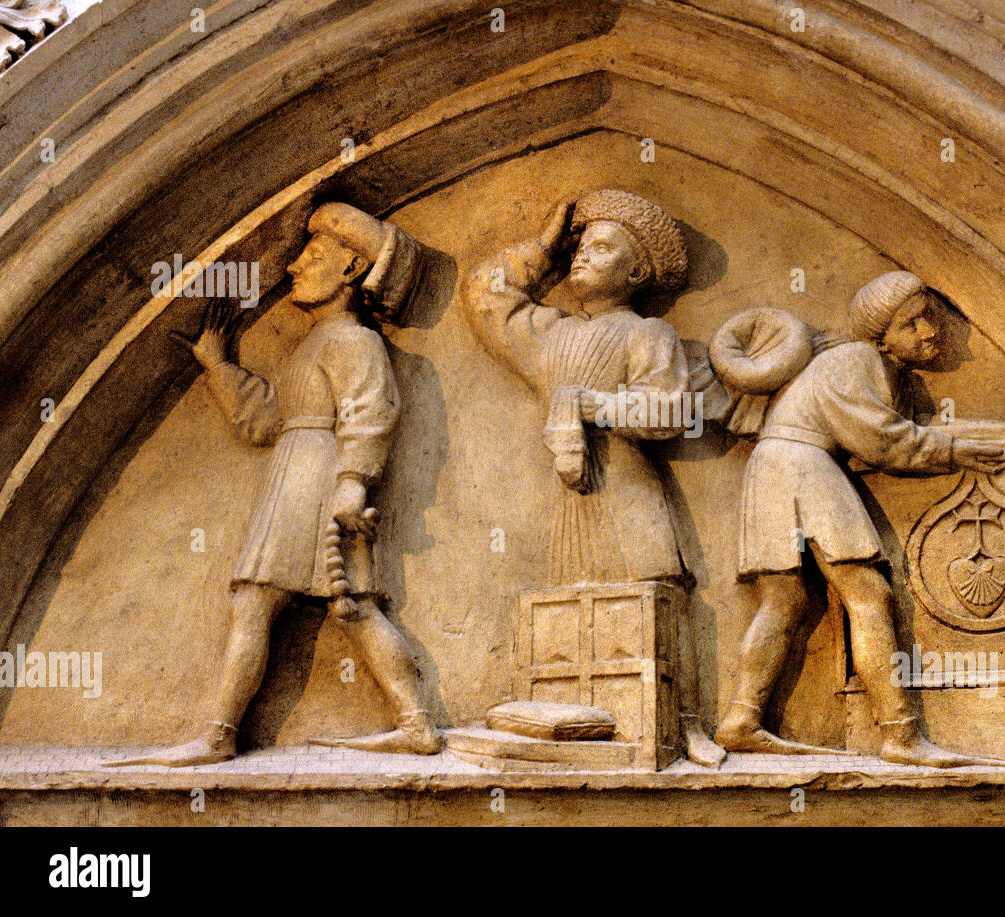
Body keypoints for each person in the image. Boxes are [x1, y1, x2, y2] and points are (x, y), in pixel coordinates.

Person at [109, 203, 440, 767]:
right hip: (299, 471)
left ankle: (219, 735)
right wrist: (218, 367)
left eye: (311, 258)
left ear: (351, 271)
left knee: (266, 601)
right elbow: (267, 418)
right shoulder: (310, 346)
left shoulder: (354, 341)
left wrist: (352, 486)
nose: (292, 268)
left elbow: (371, 413)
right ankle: (415, 723)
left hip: (316, 480)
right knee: (352, 606)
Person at [463, 190, 725, 767]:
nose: (581, 257)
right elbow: (484, 298)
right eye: (579, 248)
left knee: (660, 592)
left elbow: (670, 411)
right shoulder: (549, 334)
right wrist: (541, 249)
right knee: (568, 610)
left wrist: (590, 406)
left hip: (628, 489)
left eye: (601, 249)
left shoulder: (647, 333)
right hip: (569, 502)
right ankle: (574, 731)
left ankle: (684, 726)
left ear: (636, 272)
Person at [713, 271, 1005, 766]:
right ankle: (900, 735)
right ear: (879, 334)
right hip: (801, 466)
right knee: (868, 595)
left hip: (774, 468)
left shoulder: (892, 374)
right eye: (911, 323)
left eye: (930, 318)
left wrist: (946, 437)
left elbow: (906, 429)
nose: (928, 332)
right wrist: (953, 450)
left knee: (784, 602)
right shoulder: (854, 359)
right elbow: (882, 439)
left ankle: (741, 720)